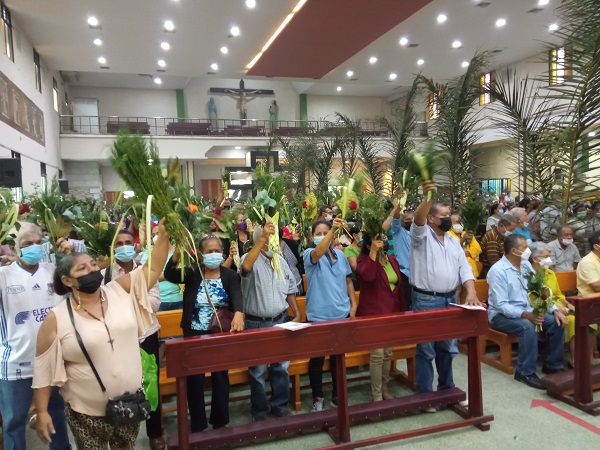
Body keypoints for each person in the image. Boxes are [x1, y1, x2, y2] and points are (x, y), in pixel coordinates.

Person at [32, 218, 171, 450]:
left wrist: (164, 236)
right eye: (82, 268)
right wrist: (43, 411)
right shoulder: (57, 318)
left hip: (129, 404)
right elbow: (43, 370)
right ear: (67, 280)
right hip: (86, 412)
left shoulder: (119, 290)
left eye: (93, 265)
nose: (91, 270)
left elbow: (153, 269)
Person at [410, 181, 483, 407]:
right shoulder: (420, 237)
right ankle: (425, 395)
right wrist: (428, 198)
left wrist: (470, 291)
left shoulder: (453, 241)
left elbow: (465, 269)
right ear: (432, 218)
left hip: (450, 299)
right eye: (443, 215)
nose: (448, 218)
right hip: (425, 298)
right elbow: (418, 220)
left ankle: (447, 389)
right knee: (426, 349)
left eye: (449, 214)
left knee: (448, 348)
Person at [0, 223, 71, 450]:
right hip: (15, 364)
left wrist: (69, 256)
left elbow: (77, 289)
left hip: (50, 361)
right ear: (14, 248)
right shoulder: (3, 276)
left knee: (57, 417)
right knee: (14, 422)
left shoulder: (53, 271)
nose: (34, 247)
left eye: (38, 242)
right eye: (27, 244)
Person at [163, 235, 244, 432]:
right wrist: (176, 255)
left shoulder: (230, 275)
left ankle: (220, 421)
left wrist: (239, 313)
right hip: (194, 334)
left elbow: (237, 295)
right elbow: (169, 274)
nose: (214, 254)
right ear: (200, 254)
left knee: (220, 377)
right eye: (209, 251)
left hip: (219, 334)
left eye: (217, 251)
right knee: (194, 380)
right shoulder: (192, 273)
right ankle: (198, 425)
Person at [102, 229, 164, 449]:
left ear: (135, 245)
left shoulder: (146, 271)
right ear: (113, 247)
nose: (124, 246)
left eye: (128, 242)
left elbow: (155, 302)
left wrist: (122, 302)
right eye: (119, 242)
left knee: (150, 385)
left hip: (146, 335)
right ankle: (121, 434)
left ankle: (155, 432)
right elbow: (103, 308)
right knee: (120, 388)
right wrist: (137, 299)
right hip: (118, 340)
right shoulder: (105, 275)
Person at [487, 234, 567, 389]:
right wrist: (526, 315)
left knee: (557, 321)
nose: (528, 250)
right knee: (527, 326)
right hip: (501, 316)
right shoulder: (498, 271)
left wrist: (555, 309)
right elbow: (501, 304)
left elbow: (537, 291)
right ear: (513, 250)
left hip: (529, 310)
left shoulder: (525, 265)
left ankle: (552, 364)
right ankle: (525, 371)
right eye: (524, 248)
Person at [240, 223, 301, 421]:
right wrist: (262, 240)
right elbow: (245, 267)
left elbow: (290, 288)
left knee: (280, 368)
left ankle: (280, 405)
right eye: (270, 238)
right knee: (257, 371)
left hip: (281, 320)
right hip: (256, 323)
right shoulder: (249, 259)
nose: (276, 242)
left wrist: (297, 313)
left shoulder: (280, 261)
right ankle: (259, 410)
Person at [304, 218, 357, 412]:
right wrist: (332, 229)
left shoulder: (341, 256)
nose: (322, 236)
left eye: (325, 232)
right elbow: (318, 252)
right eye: (318, 233)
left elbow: (348, 281)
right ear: (312, 237)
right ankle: (318, 396)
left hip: (340, 314)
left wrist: (353, 304)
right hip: (318, 316)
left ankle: (338, 393)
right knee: (317, 360)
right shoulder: (309, 254)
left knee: (338, 359)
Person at [356, 233, 405, 402]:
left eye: (382, 240)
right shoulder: (363, 260)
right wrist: (373, 254)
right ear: (369, 245)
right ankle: (376, 395)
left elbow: (399, 287)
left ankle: (385, 390)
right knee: (377, 354)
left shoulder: (391, 259)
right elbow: (368, 276)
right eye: (376, 242)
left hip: (391, 313)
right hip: (373, 315)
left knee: (388, 353)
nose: (381, 243)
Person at [529, 242, 577, 368]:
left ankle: (578, 359)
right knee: (566, 321)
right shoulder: (529, 275)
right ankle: (565, 361)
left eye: (549, 256)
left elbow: (558, 294)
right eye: (545, 256)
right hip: (539, 307)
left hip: (557, 306)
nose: (549, 260)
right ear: (534, 259)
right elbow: (536, 298)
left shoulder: (550, 273)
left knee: (577, 317)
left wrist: (567, 304)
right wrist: (557, 308)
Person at [141, 226, 183, 311]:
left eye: (158, 233)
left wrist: (159, 275)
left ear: (168, 234)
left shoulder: (178, 252)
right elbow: (146, 275)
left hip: (179, 300)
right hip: (158, 301)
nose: (156, 237)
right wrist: (170, 274)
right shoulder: (148, 252)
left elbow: (182, 274)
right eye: (153, 235)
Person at [574, 231, 600, 360]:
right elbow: (596, 286)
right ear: (596, 246)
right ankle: (588, 360)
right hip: (590, 302)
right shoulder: (587, 262)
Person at [389, 203, 413, 308]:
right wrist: (398, 206)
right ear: (402, 222)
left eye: (412, 219)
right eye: (407, 220)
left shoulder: (418, 233)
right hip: (403, 274)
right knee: (405, 305)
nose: (410, 222)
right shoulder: (397, 231)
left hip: (417, 275)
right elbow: (396, 218)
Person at [448, 214, 482, 278]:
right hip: (456, 271)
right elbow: (451, 251)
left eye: (460, 222)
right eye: (457, 222)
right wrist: (462, 240)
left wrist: (466, 253)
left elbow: (477, 248)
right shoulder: (447, 234)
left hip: (471, 270)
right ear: (450, 224)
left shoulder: (467, 234)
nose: (459, 224)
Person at [344, 226, 362, 290]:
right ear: (355, 235)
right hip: (356, 281)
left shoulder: (366, 247)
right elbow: (354, 266)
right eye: (362, 235)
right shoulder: (349, 249)